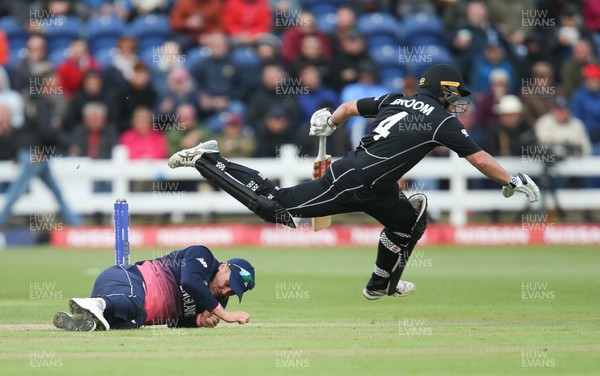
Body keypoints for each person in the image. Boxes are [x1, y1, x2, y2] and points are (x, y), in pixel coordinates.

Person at [167, 64, 541, 300]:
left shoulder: (398, 99)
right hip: (354, 179)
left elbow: (347, 108)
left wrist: (330, 122)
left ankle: (381, 285)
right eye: (454, 94)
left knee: (408, 222)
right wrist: (513, 178)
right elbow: (478, 157)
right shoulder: (441, 122)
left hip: (372, 183)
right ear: (442, 91)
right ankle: (207, 158)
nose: (456, 101)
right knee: (275, 206)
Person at [53, 245, 254, 331]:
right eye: (228, 283)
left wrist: (198, 320)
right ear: (223, 266)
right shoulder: (202, 256)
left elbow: (176, 323)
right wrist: (225, 315)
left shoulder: (217, 301)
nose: (226, 291)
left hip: (136, 310)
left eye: (232, 292)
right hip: (126, 278)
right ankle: (95, 304)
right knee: (133, 302)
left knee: (128, 323)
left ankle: (88, 320)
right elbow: (190, 283)